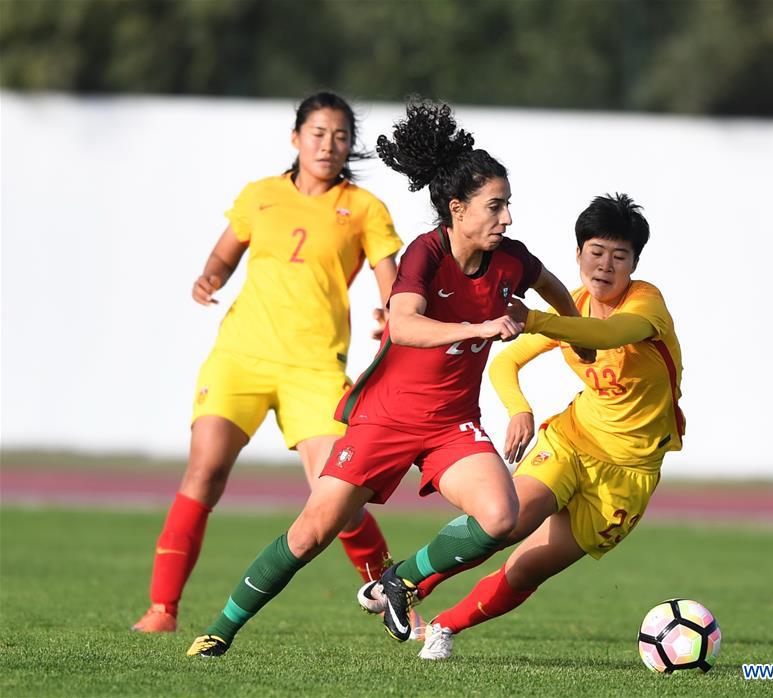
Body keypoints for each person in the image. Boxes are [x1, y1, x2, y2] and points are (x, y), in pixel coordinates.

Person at [186, 98, 586, 657]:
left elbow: (552, 288)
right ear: (458, 209)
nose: (508, 218)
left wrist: (575, 335)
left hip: (452, 424)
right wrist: (481, 324)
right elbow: (402, 324)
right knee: (310, 534)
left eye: (508, 205)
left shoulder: (511, 259)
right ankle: (220, 630)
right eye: (496, 207)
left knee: (500, 517)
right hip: (385, 419)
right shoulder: (426, 252)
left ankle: (399, 579)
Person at [132, 92, 404, 633]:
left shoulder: (365, 209)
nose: (329, 145)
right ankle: (161, 612)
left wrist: (395, 313)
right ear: (296, 137)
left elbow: (392, 283)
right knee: (204, 471)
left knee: (342, 498)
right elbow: (223, 253)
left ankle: (396, 601)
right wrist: (210, 277)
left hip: (315, 368)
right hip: (241, 357)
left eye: (341, 136)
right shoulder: (260, 195)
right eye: (319, 133)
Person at [412, 193, 685, 660]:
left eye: (619, 257)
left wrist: (537, 317)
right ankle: (408, 583)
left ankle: (444, 626)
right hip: (572, 440)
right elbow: (505, 364)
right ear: (578, 255)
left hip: (627, 474)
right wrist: (519, 408)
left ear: (635, 263)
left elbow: (606, 335)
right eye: (595, 253)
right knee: (508, 521)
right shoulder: (572, 303)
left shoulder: (646, 304)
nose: (605, 266)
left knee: (526, 571)